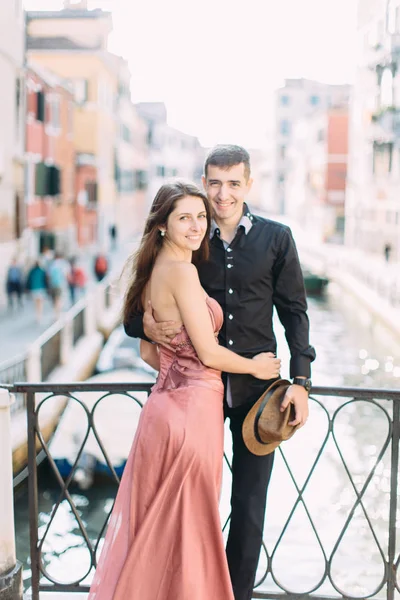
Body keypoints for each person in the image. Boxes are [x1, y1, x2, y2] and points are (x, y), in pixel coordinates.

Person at [126, 145, 315, 600]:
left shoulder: (277, 238)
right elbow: (139, 305)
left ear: (249, 184)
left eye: (233, 183)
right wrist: (143, 325)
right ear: (204, 182)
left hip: (258, 394)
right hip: (198, 397)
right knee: (193, 506)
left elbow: (294, 312)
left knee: (249, 508)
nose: (222, 194)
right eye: (214, 182)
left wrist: (303, 383)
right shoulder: (188, 238)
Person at [88, 180, 280, 600]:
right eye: (184, 218)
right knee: (189, 528)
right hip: (193, 415)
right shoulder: (183, 271)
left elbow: (146, 351)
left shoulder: (155, 268)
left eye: (200, 217)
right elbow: (210, 353)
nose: (196, 226)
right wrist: (255, 365)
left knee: (158, 528)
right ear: (162, 226)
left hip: (163, 410)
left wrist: (181, 367)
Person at [47, 253, 68, 319]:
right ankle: (58, 313)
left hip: (53, 285)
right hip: (60, 284)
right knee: (59, 298)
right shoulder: (63, 264)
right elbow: (66, 274)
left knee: (54, 299)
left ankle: (56, 313)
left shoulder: (51, 264)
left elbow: (48, 275)